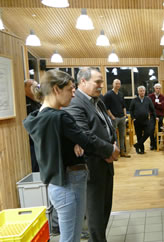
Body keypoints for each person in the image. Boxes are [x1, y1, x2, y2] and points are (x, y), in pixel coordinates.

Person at [23, 69, 109, 242]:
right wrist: (106, 149)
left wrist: (73, 142)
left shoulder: (37, 117)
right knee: (71, 238)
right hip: (70, 183)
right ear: (56, 89)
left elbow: (59, 142)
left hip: (55, 185)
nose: (73, 93)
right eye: (70, 89)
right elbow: (87, 141)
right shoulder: (60, 117)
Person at [63, 67, 120, 242]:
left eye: (102, 82)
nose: (101, 85)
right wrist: (110, 150)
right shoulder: (75, 103)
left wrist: (114, 143)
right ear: (83, 81)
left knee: (104, 211)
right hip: (92, 167)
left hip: (106, 164)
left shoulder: (98, 100)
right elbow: (85, 136)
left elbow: (108, 125)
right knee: (95, 218)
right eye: (98, 82)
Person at [103, 79, 128, 157]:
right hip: (114, 119)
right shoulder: (108, 94)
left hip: (122, 118)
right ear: (113, 84)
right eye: (116, 83)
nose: (118, 85)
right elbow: (106, 108)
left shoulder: (121, 94)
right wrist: (112, 117)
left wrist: (125, 115)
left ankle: (122, 152)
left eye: (119, 84)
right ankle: (116, 153)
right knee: (114, 136)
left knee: (122, 135)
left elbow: (123, 106)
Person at [129, 86, 156, 154]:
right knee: (139, 135)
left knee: (148, 133)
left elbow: (152, 109)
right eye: (140, 91)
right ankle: (141, 149)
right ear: (138, 92)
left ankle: (138, 145)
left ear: (145, 91)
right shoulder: (134, 100)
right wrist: (133, 118)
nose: (142, 92)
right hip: (137, 121)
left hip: (146, 120)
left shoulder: (148, 99)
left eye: (143, 91)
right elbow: (131, 110)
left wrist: (154, 117)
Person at [25, 79, 41, 172]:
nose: (37, 90)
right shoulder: (24, 103)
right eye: (35, 87)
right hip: (31, 142)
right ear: (26, 88)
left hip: (38, 141)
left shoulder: (36, 101)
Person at [148, 83, 164, 150]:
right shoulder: (150, 96)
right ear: (154, 88)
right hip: (152, 115)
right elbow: (150, 106)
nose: (158, 89)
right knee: (151, 130)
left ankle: (157, 144)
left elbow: (162, 106)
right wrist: (157, 104)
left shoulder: (163, 97)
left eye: (159, 88)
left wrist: (154, 104)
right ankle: (152, 144)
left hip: (160, 115)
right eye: (157, 88)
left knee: (159, 130)